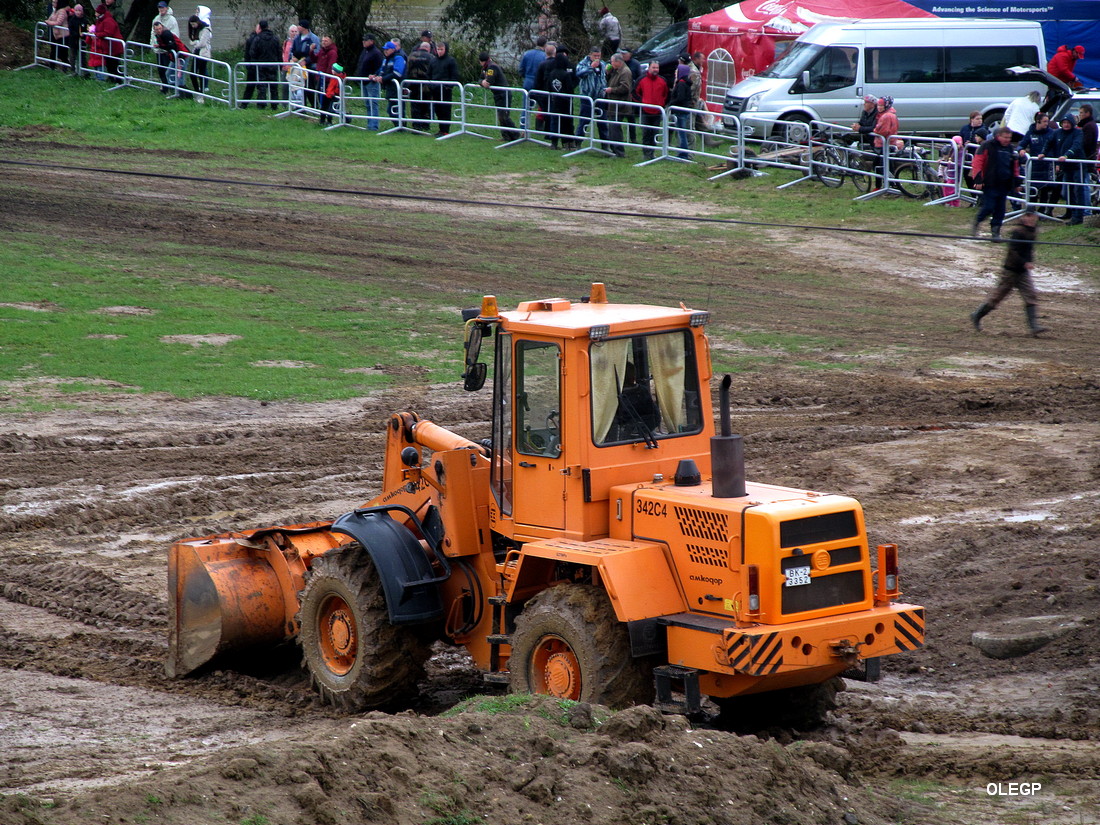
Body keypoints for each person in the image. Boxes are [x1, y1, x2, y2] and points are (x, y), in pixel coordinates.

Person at [970, 208, 1048, 336]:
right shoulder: (1018, 232)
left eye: (1034, 217)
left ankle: (1034, 326)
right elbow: (1013, 251)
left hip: (1022, 272)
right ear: (1025, 217)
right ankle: (977, 315)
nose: (1033, 220)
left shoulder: (1031, 231)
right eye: (1031, 217)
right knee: (996, 298)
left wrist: (1028, 262)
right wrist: (1025, 262)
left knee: (1031, 296)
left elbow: (1029, 250)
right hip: (1010, 271)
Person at [971, 126, 1020, 239]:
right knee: (989, 207)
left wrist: (1016, 184)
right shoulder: (987, 145)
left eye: (1009, 138)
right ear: (998, 136)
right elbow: (977, 162)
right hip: (990, 183)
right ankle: (977, 221)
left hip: (1004, 184)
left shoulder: (1010, 149)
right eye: (1005, 137)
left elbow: (1015, 167)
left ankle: (995, 232)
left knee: (1000, 210)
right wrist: (978, 179)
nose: (1007, 140)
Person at [1018, 112, 1060, 214]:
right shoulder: (1030, 133)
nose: (1046, 124)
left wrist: (1057, 163)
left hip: (1048, 164)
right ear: (1038, 121)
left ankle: (1043, 210)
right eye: (1045, 121)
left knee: (1045, 188)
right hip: (1035, 165)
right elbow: (1021, 144)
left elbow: (1056, 148)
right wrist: (1021, 150)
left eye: (1047, 121)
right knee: (1033, 188)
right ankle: (1031, 209)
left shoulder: (1051, 133)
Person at [1050, 113, 1086, 225]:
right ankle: (1070, 212)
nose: (1066, 125)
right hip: (1066, 166)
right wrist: (1043, 153)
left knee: (1078, 190)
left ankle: (1078, 216)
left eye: (1068, 123)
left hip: (1077, 165)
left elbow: (1076, 146)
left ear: (1072, 123)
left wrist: (1066, 155)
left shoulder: (1078, 133)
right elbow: (1051, 144)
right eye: (1064, 123)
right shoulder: (1058, 133)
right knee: (1068, 191)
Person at [479, 51, 520, 141]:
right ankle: (506, 136)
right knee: (501, 117)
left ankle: (516, 134)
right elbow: (481, 79)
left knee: (504, 116)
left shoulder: (491, 67)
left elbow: (489, 81)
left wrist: (484, 82)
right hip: (498, 94)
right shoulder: (486, 67)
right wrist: (482, 82)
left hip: (503, 94)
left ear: (483, 61)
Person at [543, 45, 577, 148]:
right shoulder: (565, 74)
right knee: (566, 121)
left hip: (555, 100)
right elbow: (570, 88)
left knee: (555, 121)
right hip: (565, 101)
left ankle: (554, 142)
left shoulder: (552, 73)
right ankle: (566, 142)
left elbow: (549, 86)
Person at [634, 60, 669, 160]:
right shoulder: (641, 79)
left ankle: (652, 152)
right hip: (646, 111)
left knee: (655, 132)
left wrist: (662, 103)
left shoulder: (663, 81)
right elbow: (635, 92)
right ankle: (646, 153)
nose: (655, 70)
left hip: (657, 111)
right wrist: (643, 101)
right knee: (646, 132)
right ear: (649, 68)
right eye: (653, 68)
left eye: (657, 68)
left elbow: (666, 94)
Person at [603, 52, 633, 157]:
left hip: (620, 105)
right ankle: (614, 150)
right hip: (613, 104)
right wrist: (608, 72)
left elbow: (625, 88)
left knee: (615, 128)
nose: (610, 63)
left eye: (612, 62)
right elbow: (609, 81)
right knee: (612, 128)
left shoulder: (625, 72)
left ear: (618, 62)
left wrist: (612, 90)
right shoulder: (616, 71)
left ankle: (619, 151)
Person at [248, 20, 282, 109]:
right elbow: (279, 52)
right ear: (268, 27)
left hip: (261, 65)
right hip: (273, 65)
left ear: (260, 27)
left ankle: (261, 104)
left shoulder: (258, 38)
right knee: (273, 86)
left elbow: (252, 52)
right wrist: (280, 65)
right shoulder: (275, 38)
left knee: (262, 86)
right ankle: (274, 105)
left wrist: (255, 62)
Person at [574, 46, 606, 142]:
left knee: (602, 121)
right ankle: (578, 141)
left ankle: (605, 143)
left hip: (600, 97)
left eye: (599, 56)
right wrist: (591, 67)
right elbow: (579, 74)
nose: (597, 58)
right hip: (587, 97)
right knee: (584, 120)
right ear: (590, 55)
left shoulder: (603, 64)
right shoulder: (582, 64)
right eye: (595, 56)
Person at [405, 41, 435, 131]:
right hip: (426, 85)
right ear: (428, 49)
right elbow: (433, 71)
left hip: (413, 84)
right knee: (426, 104)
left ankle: (416, 125)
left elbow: (407, 70)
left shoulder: (411, 56)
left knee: (415, 105)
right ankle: (425, 125)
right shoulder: (431, 57)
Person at [355, 33, 383, 130]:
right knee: (367, 104)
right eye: (363, 40)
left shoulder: (376, 53)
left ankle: (374, 125)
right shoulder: (365, 51)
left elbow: (380, 67)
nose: (364, 42)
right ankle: (369, 124)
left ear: (372, 41)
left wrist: (375, 75)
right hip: (364, 81)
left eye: (366, 40)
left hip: (372, 82)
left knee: (373, 103)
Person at [519, 36, 547, 128]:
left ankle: (523, 128)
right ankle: (547, 127)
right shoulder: (544, 56)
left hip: (527, 81)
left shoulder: (527, 54)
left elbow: (521, 69)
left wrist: (525, 76)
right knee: (544, 106)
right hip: (538, 84)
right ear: (545, 45)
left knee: (526, 106)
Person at [431, 41, 459, 136]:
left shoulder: (451, 61)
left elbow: (454, 75)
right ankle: (441, 129)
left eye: (441, 49)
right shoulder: (433, 60)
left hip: (446, 90)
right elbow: (429, 74)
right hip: (435, 90)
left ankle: (445, 130)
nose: (439, 51)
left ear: (445, 49)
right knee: (437, 110)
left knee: (445, 110)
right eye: (438, 49)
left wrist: (449, 87)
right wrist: (431, 86)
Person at [150, 2, 178, 93]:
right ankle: (164, 87)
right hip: (158, 50)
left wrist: (170, 47)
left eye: (162, 8)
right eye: (159, 8)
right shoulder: (156, 19)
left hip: (167, 50)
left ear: (166, 8)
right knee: (161, 69)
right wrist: (153, 45)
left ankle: (172, 87)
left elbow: (175, 35)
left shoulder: (172, 20)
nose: (161, 10)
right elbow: (152, 33)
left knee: (168, 69)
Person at [375, 41, 405, 127]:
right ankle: (398, 126)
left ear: (392, 49)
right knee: (391, 109)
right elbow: (381, 70)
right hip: (390, 87)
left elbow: (398, 73)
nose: (385, 51)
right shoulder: (385, 59)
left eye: (387, 49)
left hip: (398, 87)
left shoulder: (398, 58)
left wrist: (383, 79)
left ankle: (401, 126)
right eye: (384, 50)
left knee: (397, 108)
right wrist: (376, 75)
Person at [291, 19, 320, 107]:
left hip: (309, 67)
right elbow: (293, 50)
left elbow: (316, 53)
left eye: (299, 25)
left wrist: (306, 61)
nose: (298, 27)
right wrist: (293, 58)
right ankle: (301, 106)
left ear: (304, 27)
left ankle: (314, 106)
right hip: (298, 66)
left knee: (309, 87)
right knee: (299, 86)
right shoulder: (297, 38)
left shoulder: (313, 38)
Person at [153, 20, 188, 95]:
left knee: (180, 75)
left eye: (160, 29)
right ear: (154, 30)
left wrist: (161, 46)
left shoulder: (166, 34)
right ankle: (174, 91)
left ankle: (182, 93)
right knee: (168, 73)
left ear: (162, 27)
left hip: (182, 55)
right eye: (157, 29)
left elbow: (172, 46)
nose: (159, 31)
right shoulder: (158, 35)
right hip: (174, 56)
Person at [668, 61, 694, 159]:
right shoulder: (685, 83)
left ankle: (683, 153)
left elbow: (680, 98)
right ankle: (683, 152)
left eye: (677, 70)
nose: (675, 72)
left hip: (680, 111)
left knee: (681, 133)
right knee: (682, 132)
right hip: (683, 110)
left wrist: (671, 103)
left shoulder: (681, 84)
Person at [619, 45, 642, 144]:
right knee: (618, 116)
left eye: (625, 53)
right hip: (620, 93)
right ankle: (618, 138)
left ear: (630, 54)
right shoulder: (619, 63)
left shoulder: (635, 64)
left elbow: (639, 78)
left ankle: (633, 138)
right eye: (621, 53)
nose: (623, 55)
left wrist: (635, 91)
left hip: (631, 93)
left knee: (630, 116)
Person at [92, 3, 121, 79]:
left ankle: (118, 79)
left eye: (96, 12)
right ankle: (111, 78)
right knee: (109, 63)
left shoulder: (108, 21)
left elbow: (108, 33)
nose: (95, 14)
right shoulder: (100, 20)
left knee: (114, 64)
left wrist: (97, 34)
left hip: (114, 47)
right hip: (107, 46)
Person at [187, 12, 211, 101]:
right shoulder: (194, 30)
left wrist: (196, 43)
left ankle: (202, 93)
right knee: (192, 73)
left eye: (194, 24)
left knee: (202, 73)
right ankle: (198, 91)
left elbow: (202, 43)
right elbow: (192, 41)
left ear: (198, 22)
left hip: (203, 54)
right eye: (191, 25)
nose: (193, 26)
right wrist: (196, 42)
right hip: (196, 53)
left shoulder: (206, 29)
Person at [240, 22, 261, 106]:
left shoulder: (251, 38)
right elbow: (247, 53)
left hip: (254, 65)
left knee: (253, 86)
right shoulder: (252, 39)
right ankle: (246, 104)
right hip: (254, 66)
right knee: (252, 86)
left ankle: (245, 104)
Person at [45, 0, 71, 69]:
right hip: (56, 34)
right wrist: (48, 21)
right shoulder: (55, 11)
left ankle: (66, 67)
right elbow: (50, 18)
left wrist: (49, 23)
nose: (53, 4)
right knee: (53, 50)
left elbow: (59, 22)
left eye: (55, 2)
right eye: (53, 2)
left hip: (63, 35)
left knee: (62, 53)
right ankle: (52, 66)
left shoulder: (62, 11)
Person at [66, 3, 86, 74]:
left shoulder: (84, 20)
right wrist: (78, 35)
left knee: (82, 56)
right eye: (76, 10)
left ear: (82, 11)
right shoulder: (72, 20)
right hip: (73, 41)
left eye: (79, 10)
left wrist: (84, 35)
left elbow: (86, 29)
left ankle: (84, 72)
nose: (78, 12)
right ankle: (72, 70)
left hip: (82, 42)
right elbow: (71, 30)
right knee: (72, 56)